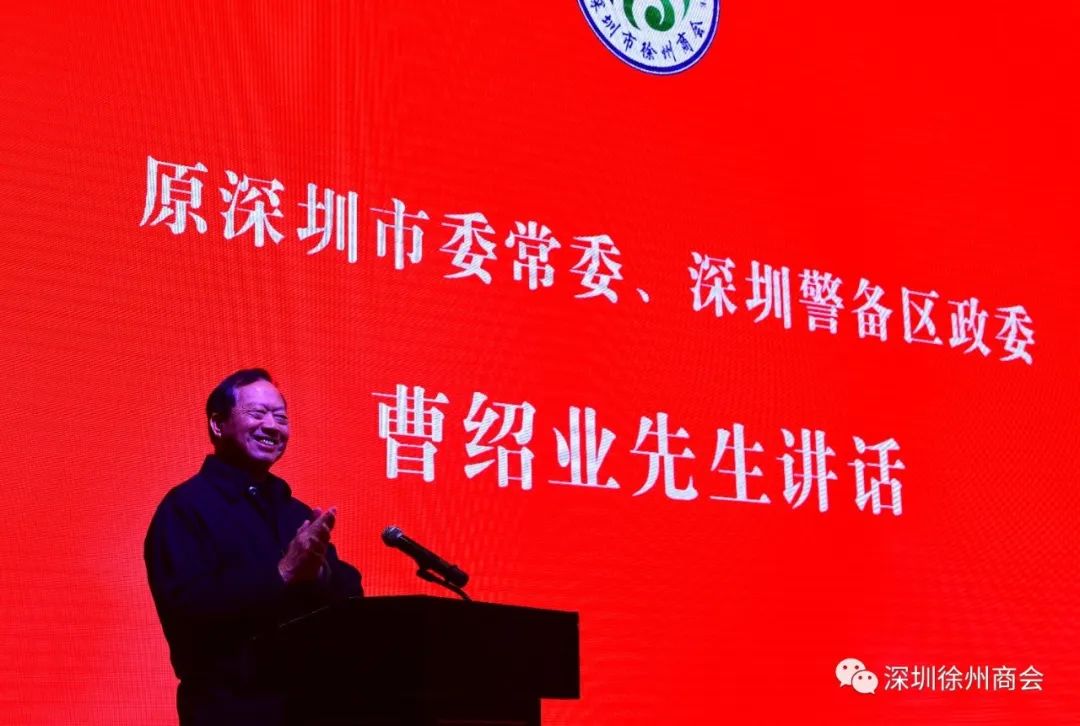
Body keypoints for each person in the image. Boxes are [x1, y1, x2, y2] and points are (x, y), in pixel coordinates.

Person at [144, 368, 363, 725]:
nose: (272, 426)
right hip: (228, 708)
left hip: (308, 707)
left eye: (281, 417)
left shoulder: (296, 513)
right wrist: (283, 573)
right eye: (258, 413)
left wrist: (321, 573)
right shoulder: (185, 507)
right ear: (218, 424)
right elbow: (189, 611)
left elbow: (350, 593)